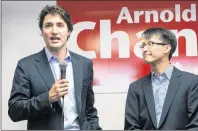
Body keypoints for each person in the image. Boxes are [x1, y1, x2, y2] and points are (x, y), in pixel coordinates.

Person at [8, 5, 101, 130]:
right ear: (42, 32)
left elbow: (89, 110)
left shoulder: (84, 64)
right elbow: (15, 111)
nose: (54, 31)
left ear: (69, 31)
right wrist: (47, 98)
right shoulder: (26, 66)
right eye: (48, 25)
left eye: (60, 25)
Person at [124, 27, 198, 130]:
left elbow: (195, 125)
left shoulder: (192, 82)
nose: (145, 49)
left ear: (167, 48)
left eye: (150, 44)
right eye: (143, 45)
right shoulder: (135, 88)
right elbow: (131, 127)